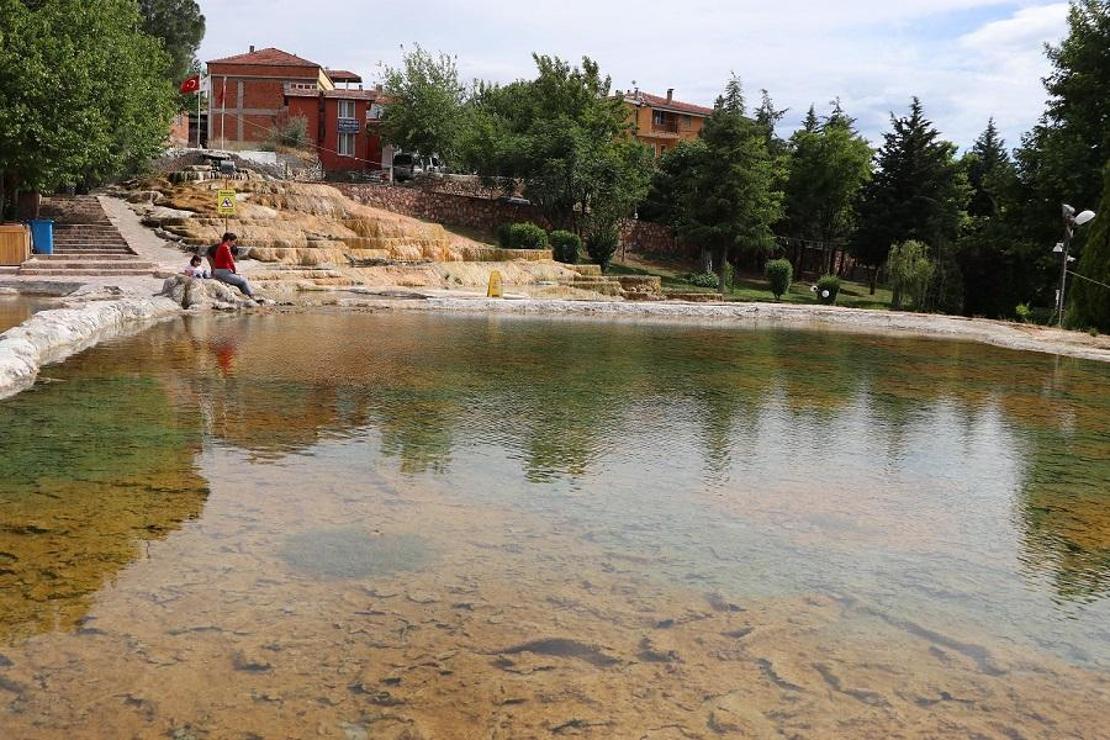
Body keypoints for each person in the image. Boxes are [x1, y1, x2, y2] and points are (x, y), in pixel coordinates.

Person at [210, 232, 258, 300]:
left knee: (239, 280)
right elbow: (231, 262)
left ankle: (246, 296)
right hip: (223, 272)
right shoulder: (226, 247)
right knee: (243, 280)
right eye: (233, 242)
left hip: (218, 271)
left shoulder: (220, 246)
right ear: (229, 240)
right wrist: (234, 272)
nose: (234, 244)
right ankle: (252, 297)